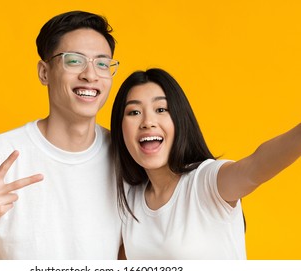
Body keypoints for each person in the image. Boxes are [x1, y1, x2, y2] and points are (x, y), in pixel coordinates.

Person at [0, 10, 122, 260]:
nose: (91, 75)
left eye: (102, 63)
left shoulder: (125, 156)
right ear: (44, 72)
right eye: (74, 61)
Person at [110, 68, 301, 259]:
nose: (147, 122)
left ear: (180, 119)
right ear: (120, 128)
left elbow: (255, 166)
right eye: (134, 112)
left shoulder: (205, 181)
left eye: (161, 109)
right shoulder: (131, 200)